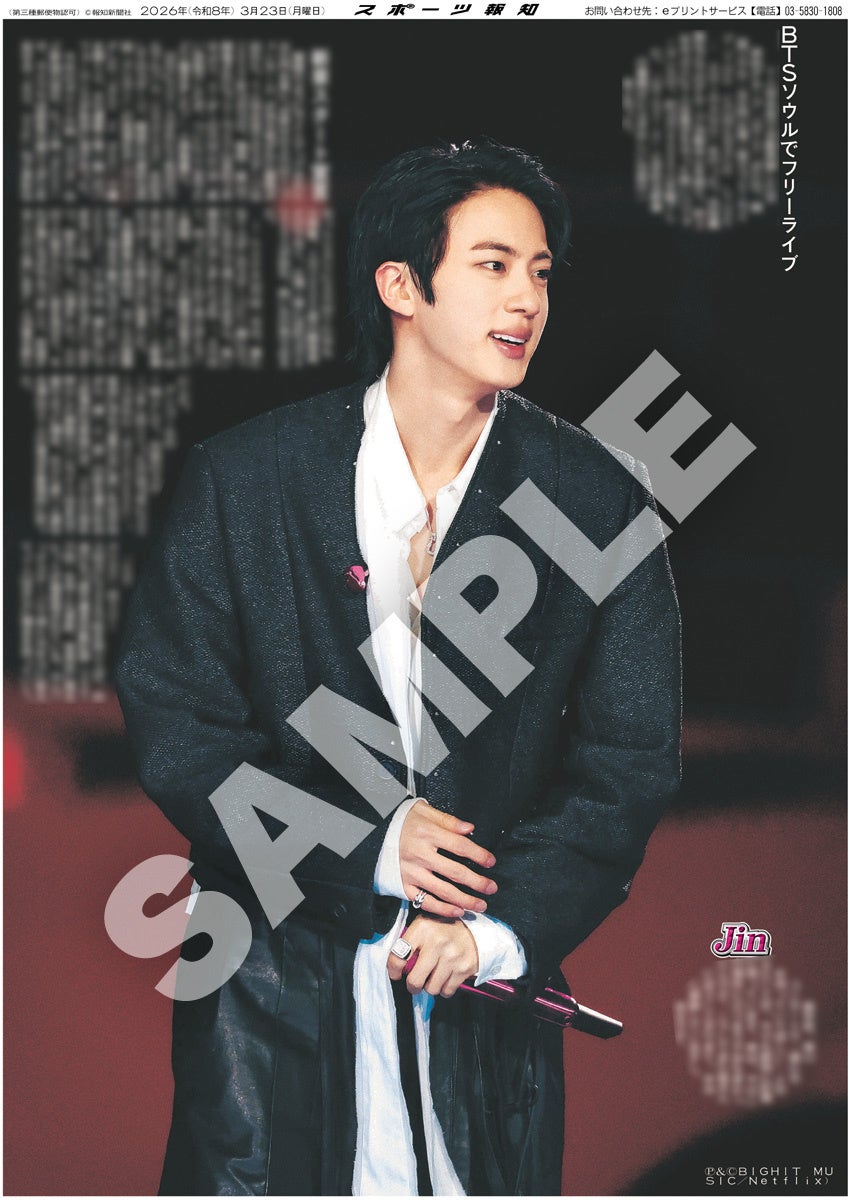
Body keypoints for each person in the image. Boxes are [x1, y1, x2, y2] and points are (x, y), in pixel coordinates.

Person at [114, 137, 681, 1196]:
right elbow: (180, 725)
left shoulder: (596, 500)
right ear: (400, 286)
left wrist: (497, 931)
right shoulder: (247, 480)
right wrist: (370, 844)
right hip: (271, 1000)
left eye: (540, 272)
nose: (526, 300)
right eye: (492, 264)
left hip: (479, 1019)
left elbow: (628, 763)